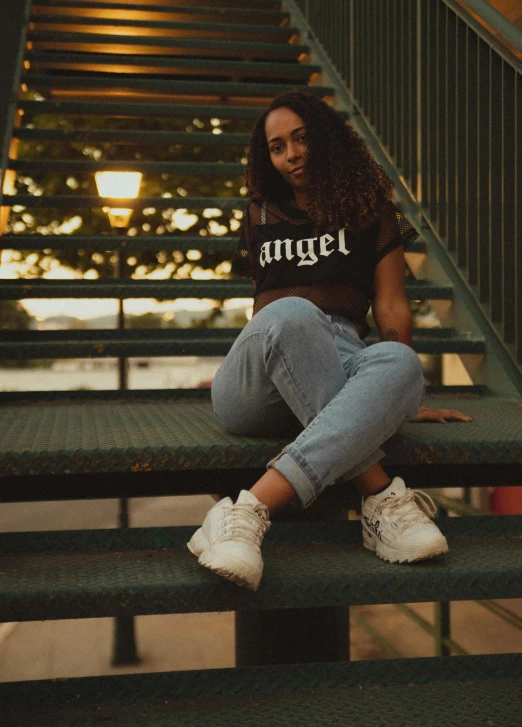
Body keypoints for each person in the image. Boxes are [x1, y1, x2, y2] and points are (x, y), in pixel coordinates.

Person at [187, 91, 472, 591]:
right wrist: (257, 357)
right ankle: (380, 497)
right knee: (293, 313)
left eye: (301, 139)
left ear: (326, 138)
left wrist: (395, 397)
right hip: (264, 382)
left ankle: (247, 512)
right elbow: (264, 306)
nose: (292, 154)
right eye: (277, 147)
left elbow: (390, 305)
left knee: (402, 363)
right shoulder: (259, 211)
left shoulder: (369, 209)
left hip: (341, 361)